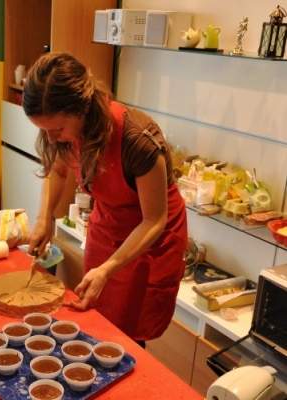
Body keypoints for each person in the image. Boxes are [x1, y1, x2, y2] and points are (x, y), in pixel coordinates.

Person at [23, 53, 187, 347]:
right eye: (43, 130)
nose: (50, 139)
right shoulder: (66, 130)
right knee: (99, 316)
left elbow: (154, 219)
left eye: (57, 130)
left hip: (150, 236)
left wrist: (109, 269)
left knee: (129, 333)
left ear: (83, 108)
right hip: (108, 223)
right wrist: (43, 216)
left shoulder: (137, 139)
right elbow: (59, 171)